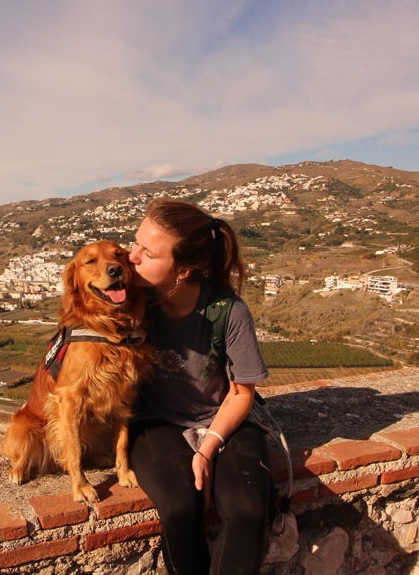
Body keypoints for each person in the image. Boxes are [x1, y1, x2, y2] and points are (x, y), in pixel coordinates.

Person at [127, 198, 271, 575]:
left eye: (148, 252)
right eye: (135, 243)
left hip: (220, 415)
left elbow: (241, 394)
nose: (132, 257)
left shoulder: (228, 311)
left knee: (249, 509)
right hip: (155, 418)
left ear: (183, 269)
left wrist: (207, 450)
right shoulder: (130, 303)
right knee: (178, 506)